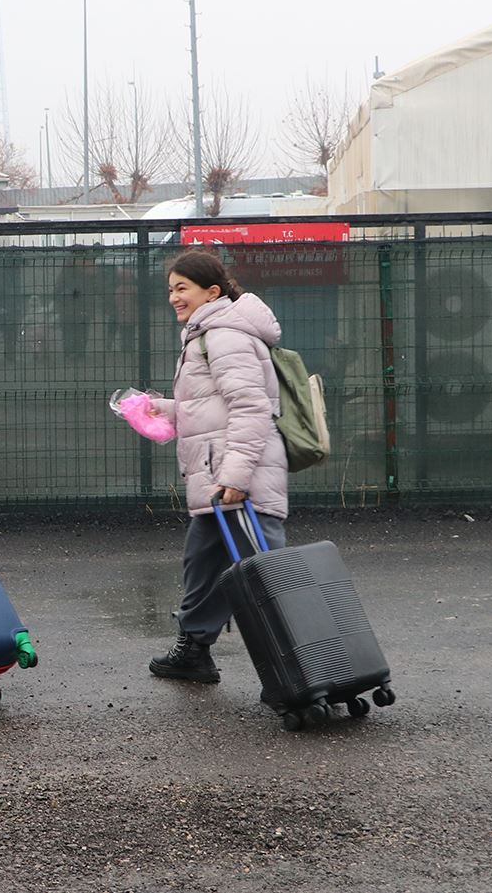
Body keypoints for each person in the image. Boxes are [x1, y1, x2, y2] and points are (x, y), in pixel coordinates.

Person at [146, 248, 289, 685]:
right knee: (203, 564)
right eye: (170, 289)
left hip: (239, 478)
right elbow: (214, 406)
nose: (173, 297)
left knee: (268, 578)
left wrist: (236, 477)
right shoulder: (205, 333)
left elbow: (250, 407)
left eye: (182, 288)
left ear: (211, 292)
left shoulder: (224, 335)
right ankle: (194, 650)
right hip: (217, 480)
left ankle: (306, 661)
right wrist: (165, 409)